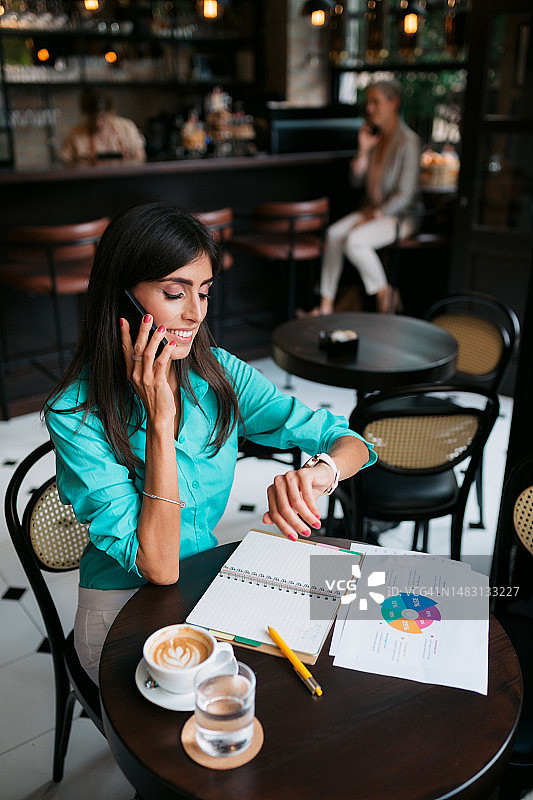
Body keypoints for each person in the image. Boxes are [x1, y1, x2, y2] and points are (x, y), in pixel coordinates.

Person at [44, 202, 376, 684]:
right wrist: (160, 420)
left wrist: (319, 473)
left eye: (203, 292)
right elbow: (158, 565)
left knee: (301, 677)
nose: (196, 313)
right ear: (121, 300)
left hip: (204, 588)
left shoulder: (216, 373)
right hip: (121, 609)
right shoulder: (75, 413)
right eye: (174, 293)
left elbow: (350, 441)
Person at [314, 79, 421, 315]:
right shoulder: (376, 138)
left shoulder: (408, 142)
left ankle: (383, 293)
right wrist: (363, 150)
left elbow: (405, 195)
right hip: (371, 210)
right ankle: (326, 305)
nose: (369, 108)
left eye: (376, 102)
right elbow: (356, 181)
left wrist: (375, 216)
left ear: (394, 103)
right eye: (368, 102)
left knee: (354, 241)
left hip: (400, 217)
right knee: (333, 235)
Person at [59, 89, 146, 165]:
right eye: (93, 118)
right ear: (85, 114)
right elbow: (65, 163)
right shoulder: (75, 134)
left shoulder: (127, 128)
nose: (98, 123)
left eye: (103, 117)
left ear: (111, 112)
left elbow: (140, 157)